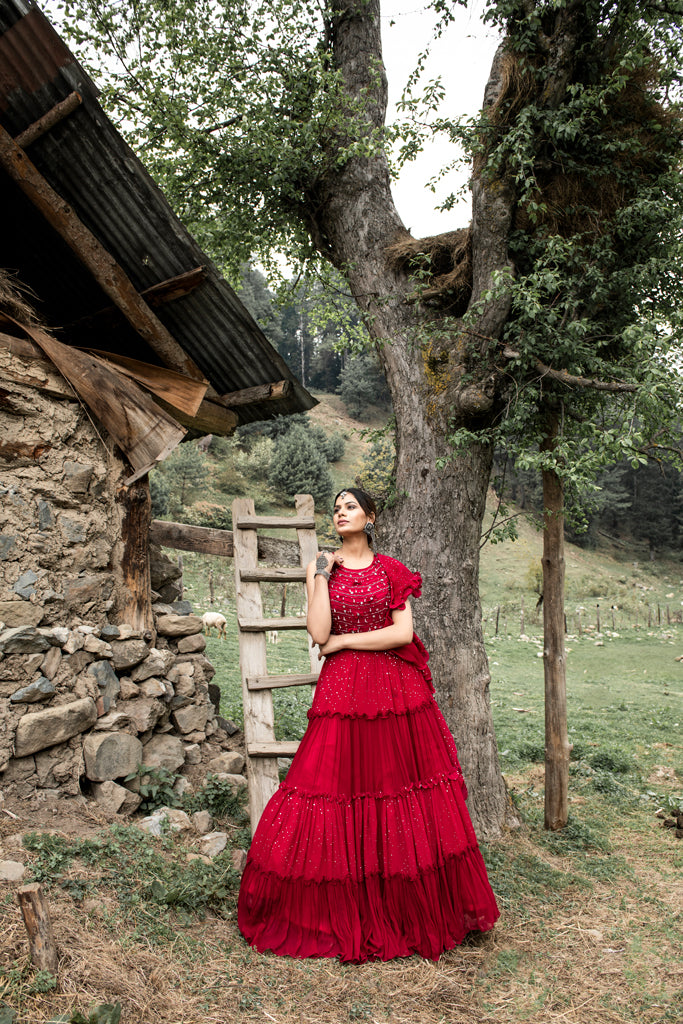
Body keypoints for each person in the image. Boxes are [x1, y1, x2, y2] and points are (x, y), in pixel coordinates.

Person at [237, 487, 499, 962]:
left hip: (396, 693)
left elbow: (403, 633)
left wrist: (345, 644)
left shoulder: (391, 570)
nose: (340, 512)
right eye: (336, 508)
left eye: (350, 506)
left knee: (396, 789)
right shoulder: (324, 568)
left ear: (370, 516)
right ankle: (342, 903)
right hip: (342, 694)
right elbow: (318, 632)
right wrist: (319, 575)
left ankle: (402, 907)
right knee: (331, 787)